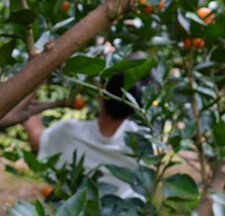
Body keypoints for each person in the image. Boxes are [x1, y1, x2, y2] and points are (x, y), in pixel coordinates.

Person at [24, 72, 145, 202]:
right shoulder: (143, 142)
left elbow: (37, 141)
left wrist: (26, 103)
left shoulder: (69, 132)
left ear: (101, 96)